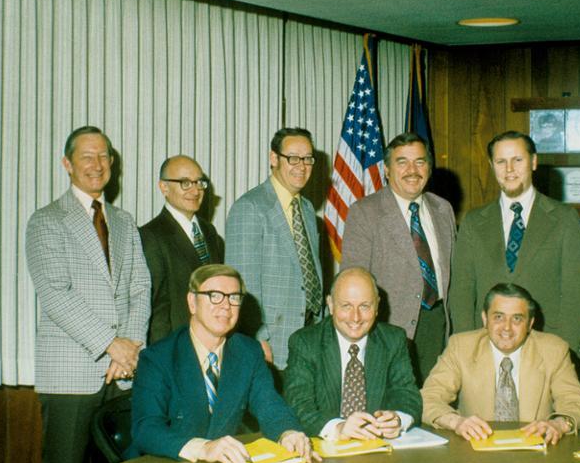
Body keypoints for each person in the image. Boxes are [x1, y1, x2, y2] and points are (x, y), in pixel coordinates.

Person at [25, 126, 150, 463]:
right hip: (70, 376)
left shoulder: (124, 221)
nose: (97, 165)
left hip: (122, 373)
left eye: (103, 156)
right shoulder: (46, 220)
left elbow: (141, 287)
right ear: (67, 163)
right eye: (86, 156)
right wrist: (113, 344)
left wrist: (129, 348)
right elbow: (56, 295)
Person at [127, 264, 318, 463]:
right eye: (214, 295)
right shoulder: (158, 358)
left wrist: (287, 432)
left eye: (234, 297)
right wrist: (203, 448)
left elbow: (270, 406)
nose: (226, 305)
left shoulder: (249, 352)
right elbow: (146, 429)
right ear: (192, 302)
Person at [449, 131, 580, 355]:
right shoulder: (473, 222)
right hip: (486, 347)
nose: (509, 169)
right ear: (491, 165)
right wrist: (467, 349)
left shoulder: (564, 218)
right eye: (501, 161)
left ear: (533, 162)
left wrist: (564, 352)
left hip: (545, 346)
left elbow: (577, 293)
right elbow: (461, 292)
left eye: (517, 160)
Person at [341, 132, 456, 383]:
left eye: (420, 161)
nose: (412, 170)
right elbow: (353, 278)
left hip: (438, 323)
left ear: (429, 166)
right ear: (386, 169)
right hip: (389, 327)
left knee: (433, 401)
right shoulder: (365, 212)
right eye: (402, 162)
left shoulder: (443, 209)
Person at [422, 284, 580, 445]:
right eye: (498, 317)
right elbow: (428, 398)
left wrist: (558, 425)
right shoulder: (461, 347)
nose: (507, 328)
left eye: (517, 319)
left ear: (530, 324)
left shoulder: (553, 350)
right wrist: (456, 422)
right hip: (476, 453)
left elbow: (578, 403)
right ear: (484, 319)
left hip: (535, 453)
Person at [284, 267, 422, 439]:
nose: (355, 317)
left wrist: (398, 419)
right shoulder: (305, 343)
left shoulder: (394, 340)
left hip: (378, 446)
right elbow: (298, 405)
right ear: (331, 305)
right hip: (326, 448)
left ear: (377, 306)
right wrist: (339, 428)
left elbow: (407, 394)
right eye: (346, 306)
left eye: (364, 306)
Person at [225, 128, 323, 370]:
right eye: (293, 158)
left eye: (308, 158)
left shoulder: (308, 209)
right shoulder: (249, 208)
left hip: (312, 337)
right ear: (274, 159)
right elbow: (241, 286)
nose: (301, 166)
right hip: (273, 346)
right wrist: (258, 341)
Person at [139, 155, 224, 344]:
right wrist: (163, 356)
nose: (195, 190)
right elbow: (156, 307)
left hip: (213, 342)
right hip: (177, 345)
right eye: (185, 183)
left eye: (199, 182)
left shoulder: (210, 232)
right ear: (164, 187)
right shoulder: (150, 236)